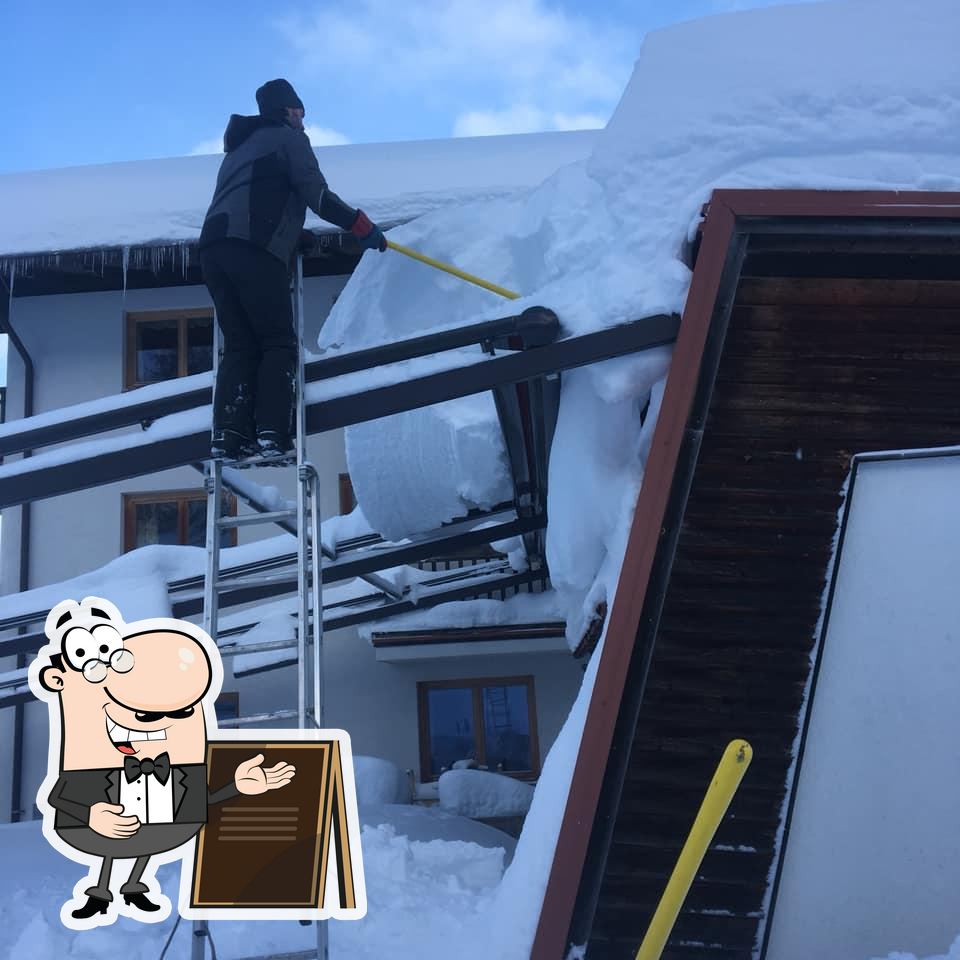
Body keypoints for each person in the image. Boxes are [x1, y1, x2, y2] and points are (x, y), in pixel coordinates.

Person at [199, 79, 387, 460]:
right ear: (285, 111)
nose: (303, 118)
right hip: (254, 249)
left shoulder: (239, 149)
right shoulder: (289, 139)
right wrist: (359, 224)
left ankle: (228, 435)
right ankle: (272, 433)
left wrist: (291, 234)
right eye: (298, 110)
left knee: (241, 344)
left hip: (214, 250)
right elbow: (315, 193)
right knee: (277, 342)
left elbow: (255, 197)